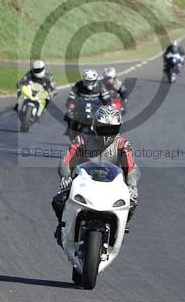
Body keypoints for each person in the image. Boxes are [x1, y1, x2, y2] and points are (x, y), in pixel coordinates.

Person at [52, 105, 140, 245]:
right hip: (83, 181)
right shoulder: (82, 139)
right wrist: (66, 176)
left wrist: (132, 186)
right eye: (104, 129)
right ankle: (62, 225)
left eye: (111, 129)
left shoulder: (123, 144)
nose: (107, 133)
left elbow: (131, 168)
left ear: (118, 128)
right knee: (59, 200)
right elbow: (66, 161)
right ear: (95, 126)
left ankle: (120, 229)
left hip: (112, 184)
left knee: (132, 202)